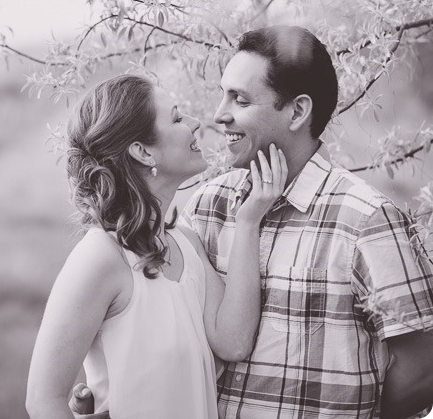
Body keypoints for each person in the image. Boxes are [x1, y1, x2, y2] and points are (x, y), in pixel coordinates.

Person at [71, 25, 433, 419]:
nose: (218, 115)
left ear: (297, 111)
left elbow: (420, 370)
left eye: (239, 99)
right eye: (223, 94)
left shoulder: (367, 221)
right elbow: (170, 337)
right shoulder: (207, 207)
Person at [26, 74, 288, 419]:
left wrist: (249, 220)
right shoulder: (100, 258)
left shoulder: (186, 243)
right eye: (177, 118)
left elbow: (234, 341)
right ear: (143, 151)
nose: (195, 123)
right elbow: (44, 400)